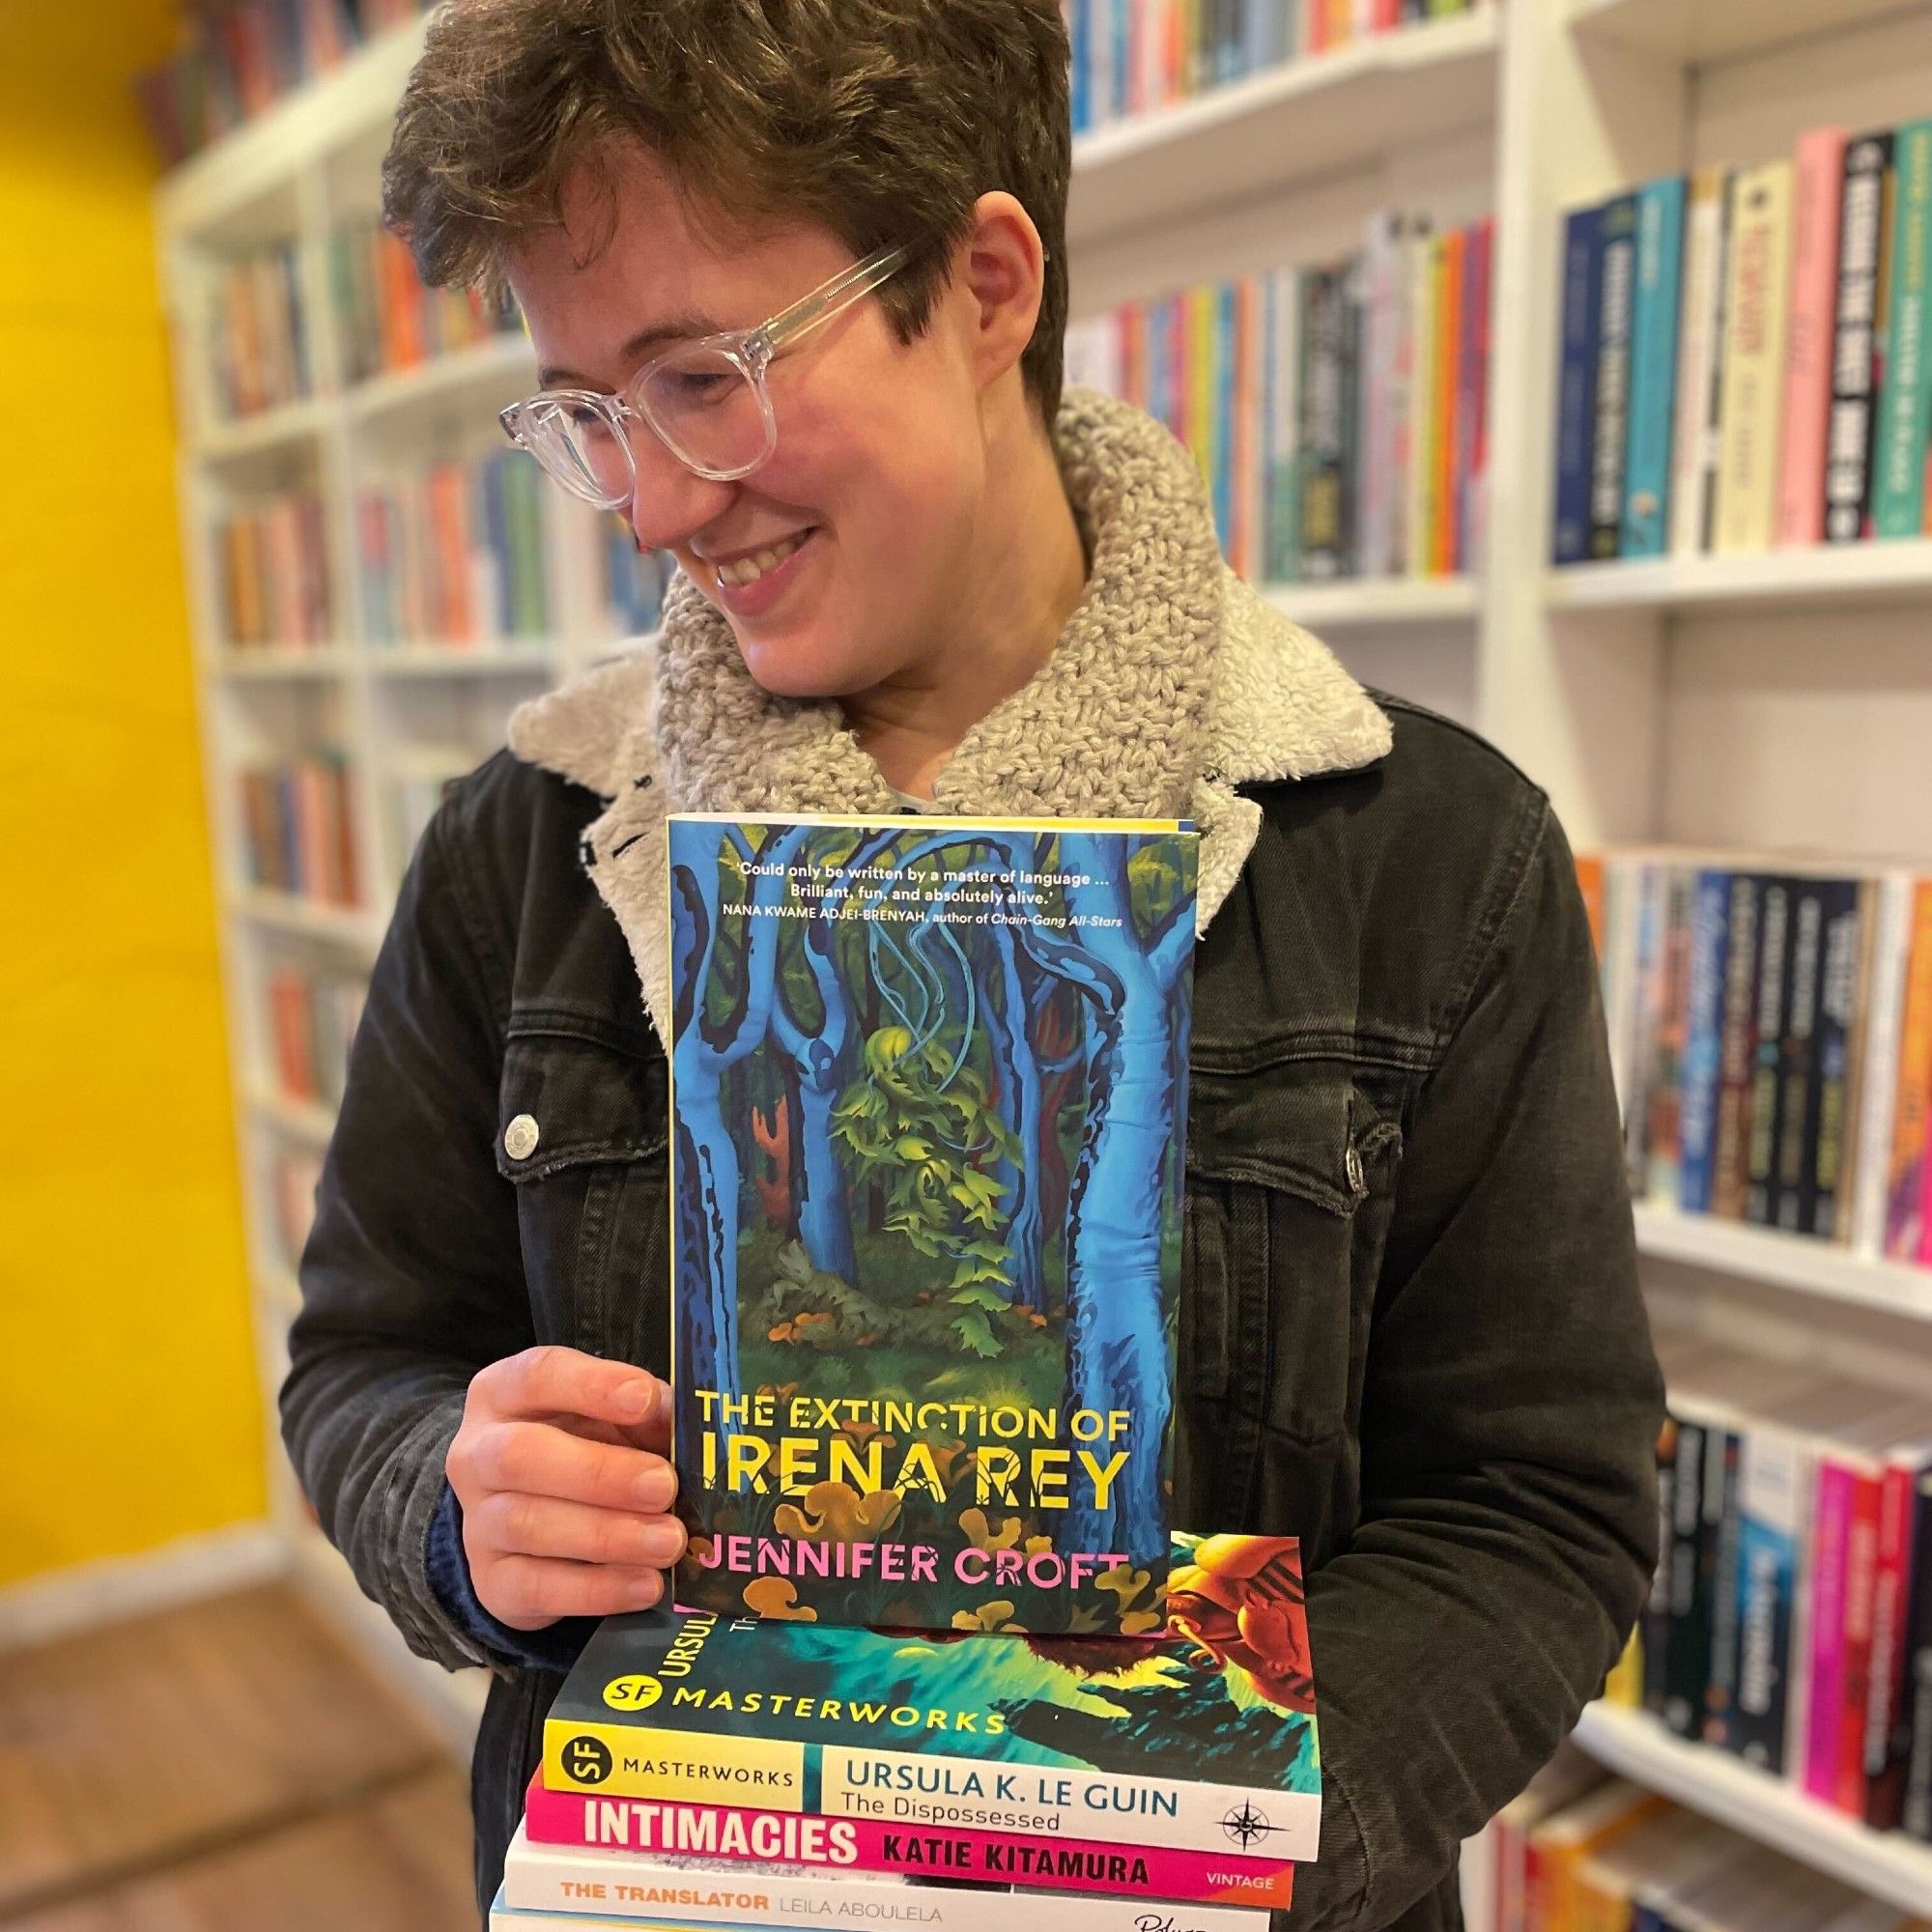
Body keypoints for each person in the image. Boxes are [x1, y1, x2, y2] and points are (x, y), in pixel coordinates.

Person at [280, 3, 1664, 1927]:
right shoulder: (517, 848)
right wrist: (456, 1497)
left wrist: (1178, 1831)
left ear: (986, 279)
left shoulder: (1431, 860)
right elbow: (360, 1357)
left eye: (703, 377)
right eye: (590, 413)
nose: (659, 508)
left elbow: (1537, 1509)